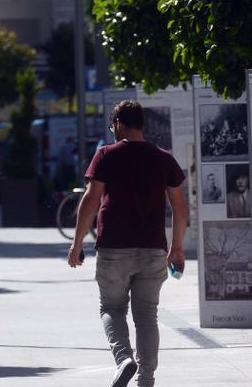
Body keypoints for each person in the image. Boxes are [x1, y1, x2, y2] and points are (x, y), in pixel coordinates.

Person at [68, 99, 187, 387]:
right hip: (153, 247)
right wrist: (176, 248)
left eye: (113, 126)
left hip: (114, 247)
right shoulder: (163, 158)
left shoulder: (106, 154)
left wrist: (76, 243)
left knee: (111, 308)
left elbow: (91, 200)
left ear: (119, 123)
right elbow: (180, 208)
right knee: (146, 316)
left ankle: (123, 359)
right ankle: (146, 380)